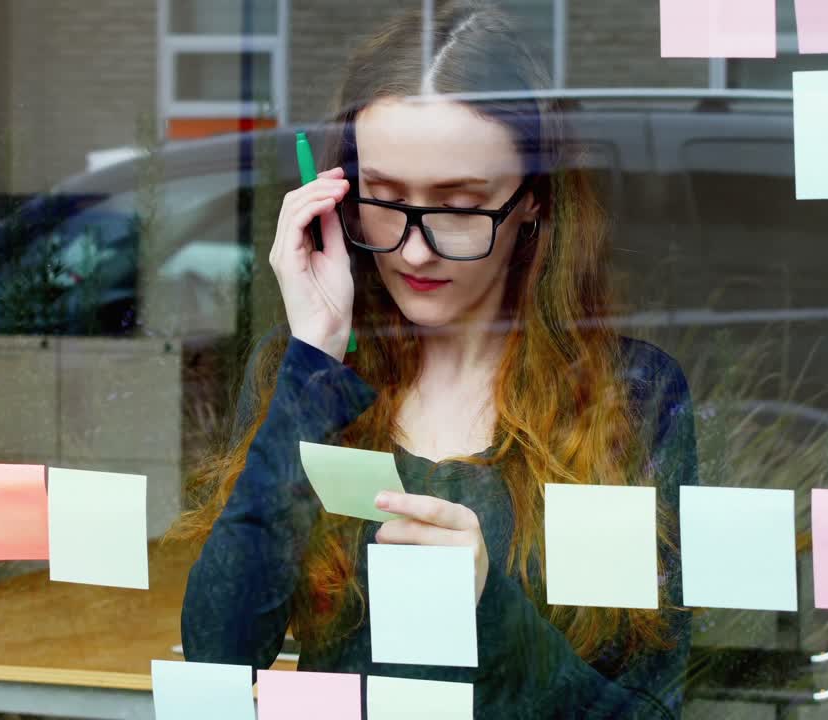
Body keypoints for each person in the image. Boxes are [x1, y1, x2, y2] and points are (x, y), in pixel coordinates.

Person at [170, 2, 698, 717]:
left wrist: (487, 611)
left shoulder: (630, 395)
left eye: (458, 205)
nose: (415, 250)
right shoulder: (308, 375)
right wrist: (312, 356)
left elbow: (644, 710)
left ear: (534, 201)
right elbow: (218, 655)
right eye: (385, 200)